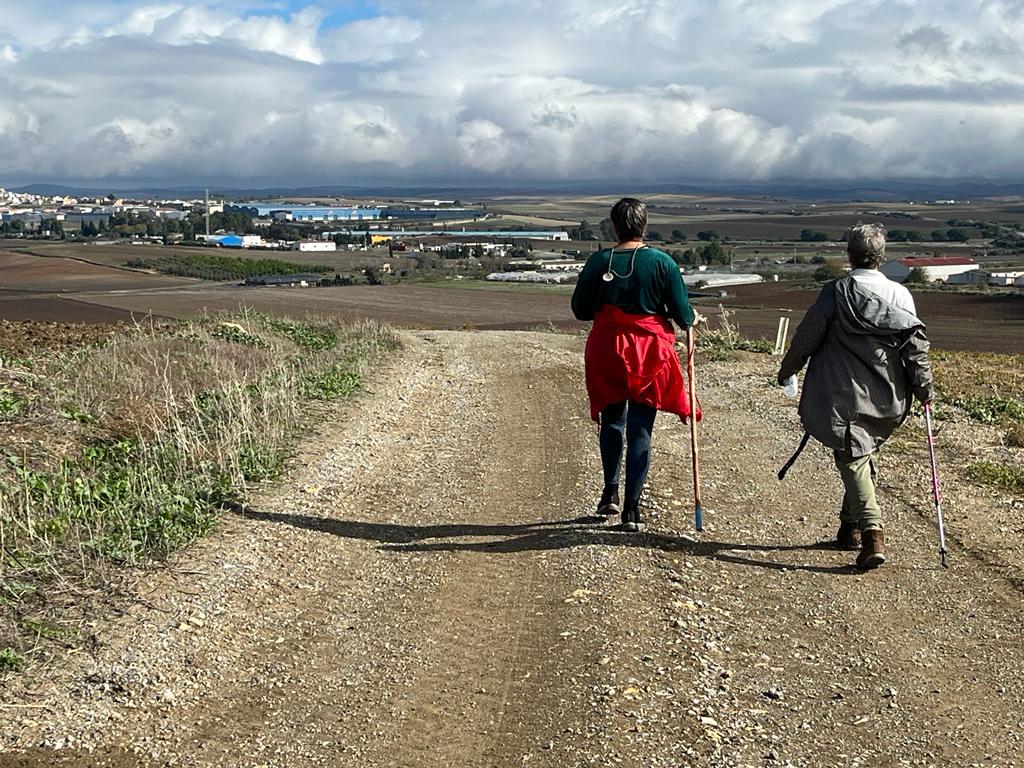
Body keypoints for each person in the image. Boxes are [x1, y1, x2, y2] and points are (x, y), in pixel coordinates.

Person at [777, 223, 934, 569]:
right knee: (862, 453)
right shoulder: (901, 296)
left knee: (851, 457)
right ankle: (848, 530)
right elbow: (916, 349)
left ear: (849, 255)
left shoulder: (835, 293)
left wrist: (788, 369)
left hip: (843, 393)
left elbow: (807, 336)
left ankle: (872, 533)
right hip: (886, 395)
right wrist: (925, 389)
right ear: (882, 257)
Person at [571, 197, 701, 532]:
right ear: (644, 225)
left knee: (612, 420)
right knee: (641, 426)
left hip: (608, 347)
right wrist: (693, 318)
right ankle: (632, 509)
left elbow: (580, 310)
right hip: (649, 351)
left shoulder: (599, 261)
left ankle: (609, 492)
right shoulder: (662, 263)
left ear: (614, 226)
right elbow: (682, 314)